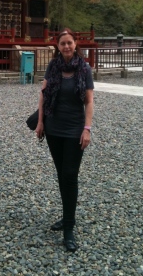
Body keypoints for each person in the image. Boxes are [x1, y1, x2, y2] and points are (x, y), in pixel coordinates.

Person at [36, 28, 94, 252]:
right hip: (53, 128)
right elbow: (43, 93)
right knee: (61, 173)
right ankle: (67, 215)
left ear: (75, 44)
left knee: (70, 175)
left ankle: (69, 227)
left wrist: (87, 129)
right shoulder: (53, 66)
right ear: (57, 47)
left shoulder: (84, 68)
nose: (67, 47)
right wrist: (41, 122)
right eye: (63, 44)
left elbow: (89, 101)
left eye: (70, 43)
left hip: (74, 128)